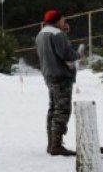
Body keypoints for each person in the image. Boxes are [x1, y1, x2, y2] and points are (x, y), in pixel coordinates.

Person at [35, 10, 81, 156]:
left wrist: (64, 33)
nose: (65, 23)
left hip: (49, 75)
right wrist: (78, 55)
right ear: (57, 20)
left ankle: (51, 143)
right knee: (62, 110)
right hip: (61, 76)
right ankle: (56, 145)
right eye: (63, 20)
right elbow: (66, 54)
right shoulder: (57, 34)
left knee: (53, 109)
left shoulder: (41, 34)